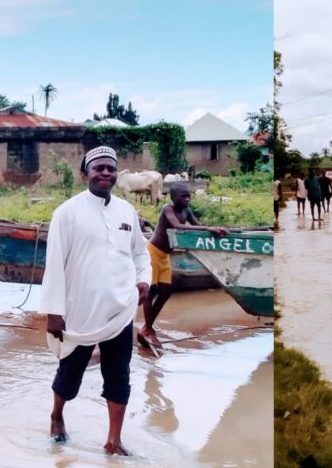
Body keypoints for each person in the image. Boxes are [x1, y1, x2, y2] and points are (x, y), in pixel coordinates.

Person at [40, 146, 150, 455]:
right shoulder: (67, 212)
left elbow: (140, 253)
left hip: (120, 309)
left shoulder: (127, 211)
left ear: (117, 174)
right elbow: (55, 265)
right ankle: (57, 414)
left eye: (110, 169)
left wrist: (144, 280)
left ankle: (114, 440)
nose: (105, 173)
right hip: (80, 312)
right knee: (69, 375)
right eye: (99, 168)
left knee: (119, 375)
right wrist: (54, 312)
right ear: (85, 172)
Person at [139, 182, 227, 349]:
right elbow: (178, 226)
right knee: (151, 292)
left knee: (165, 292)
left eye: (189, 196)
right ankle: (148, 330)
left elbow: (196, 226)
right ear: (173, 198)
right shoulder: (167, 209)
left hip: (165, 255)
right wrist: (209, 228)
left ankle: (146, 328)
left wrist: (213, 229)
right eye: (183, 196)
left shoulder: (187, 210)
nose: (187, 199)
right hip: (152, 252)